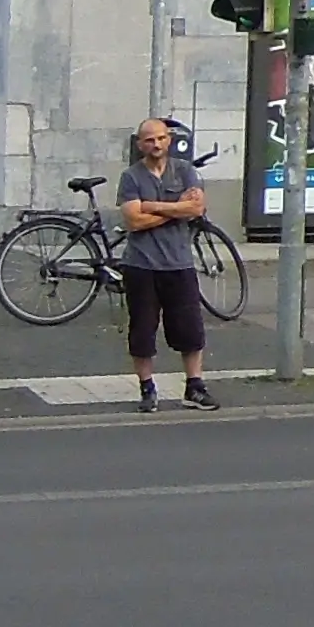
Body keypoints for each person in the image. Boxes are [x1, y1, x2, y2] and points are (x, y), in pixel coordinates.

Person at [116, 116, 220, 411]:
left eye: (161, 138)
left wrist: (153, 206)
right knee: (142, 331)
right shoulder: (131, 177)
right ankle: (147, 388)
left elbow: (196, 208)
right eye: (149, 140)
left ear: (169, 141)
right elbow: (134, 221)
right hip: (142, 265)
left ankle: (194, 387)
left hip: (179, 264)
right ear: (140, 144)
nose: (156, 144)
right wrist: (177, 209)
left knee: (190, 330)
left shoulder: (185, 171)